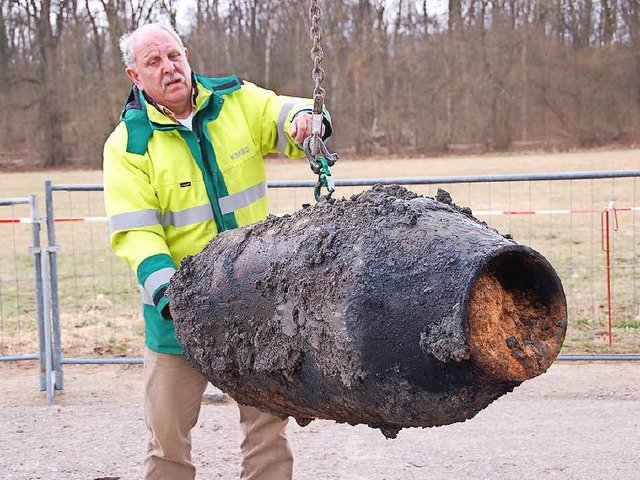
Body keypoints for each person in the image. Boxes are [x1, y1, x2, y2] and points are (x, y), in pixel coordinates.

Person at [103, 22, 332, 480]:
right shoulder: (129, 146)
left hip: (255, 304)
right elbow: (136, 234)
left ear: (186, 54)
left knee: (267, 433)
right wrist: (174, 298)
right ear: (135, 76)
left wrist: (304, 121)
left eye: (173, 56)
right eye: (153, 62)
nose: (168, 68)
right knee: (167, 441)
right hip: (178, 317)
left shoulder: (234, 99)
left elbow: (281, 113)